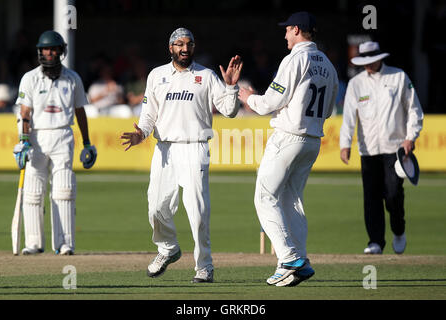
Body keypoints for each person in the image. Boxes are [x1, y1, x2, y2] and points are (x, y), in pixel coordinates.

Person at [121, 28, 243, 283]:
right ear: (170, 48)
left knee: (197, 211)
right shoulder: (157, 75)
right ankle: (167, 248)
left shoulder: (207, 76)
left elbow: (229, 111)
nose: (184, 48)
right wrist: (140, 134)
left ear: (194, 47)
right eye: (179, 44)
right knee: (156, 207)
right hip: (164, 148)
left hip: (195, 146)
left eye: (188, 44)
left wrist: (231, 87)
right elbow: (148, 115)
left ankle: (204, 266)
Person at [239, 12, 339, 287]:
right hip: (312, 139)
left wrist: (250, 99)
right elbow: (329, 109)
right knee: (291, 200)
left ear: (296, 30)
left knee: (264, 196)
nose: (284, 35)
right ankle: (301, 261)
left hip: (288, 136)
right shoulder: (328, 64)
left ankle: (289, 260)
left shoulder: (295, 58)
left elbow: (273, 99)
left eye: (287, 30)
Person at [13, 30, 97, 255]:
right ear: (40, 52)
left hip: (63, 135)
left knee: (64, 189)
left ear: (61, 52)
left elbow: (80, 112)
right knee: (33, 191)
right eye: (45, 49)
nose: (48, 53)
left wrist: (87, 142)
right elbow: (25, 112)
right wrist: (23, 140)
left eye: (53, 49)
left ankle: (65, 243)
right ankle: (33, 243)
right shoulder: (29, 78)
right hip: (37, 137)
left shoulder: (73, 78)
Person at [339, 41, 424, 255]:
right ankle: (375, 241)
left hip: (395, 148)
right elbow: (349, 116)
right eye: (364, 62)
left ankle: (398, 230)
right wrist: (345, 143)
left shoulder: (399, 77)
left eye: (371, 61)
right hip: (368, 150)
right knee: (372, 197)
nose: (367, 66)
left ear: (379, 58)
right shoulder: (356, 83)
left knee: (394, 194)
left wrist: (410, 137)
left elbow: (414, 109)